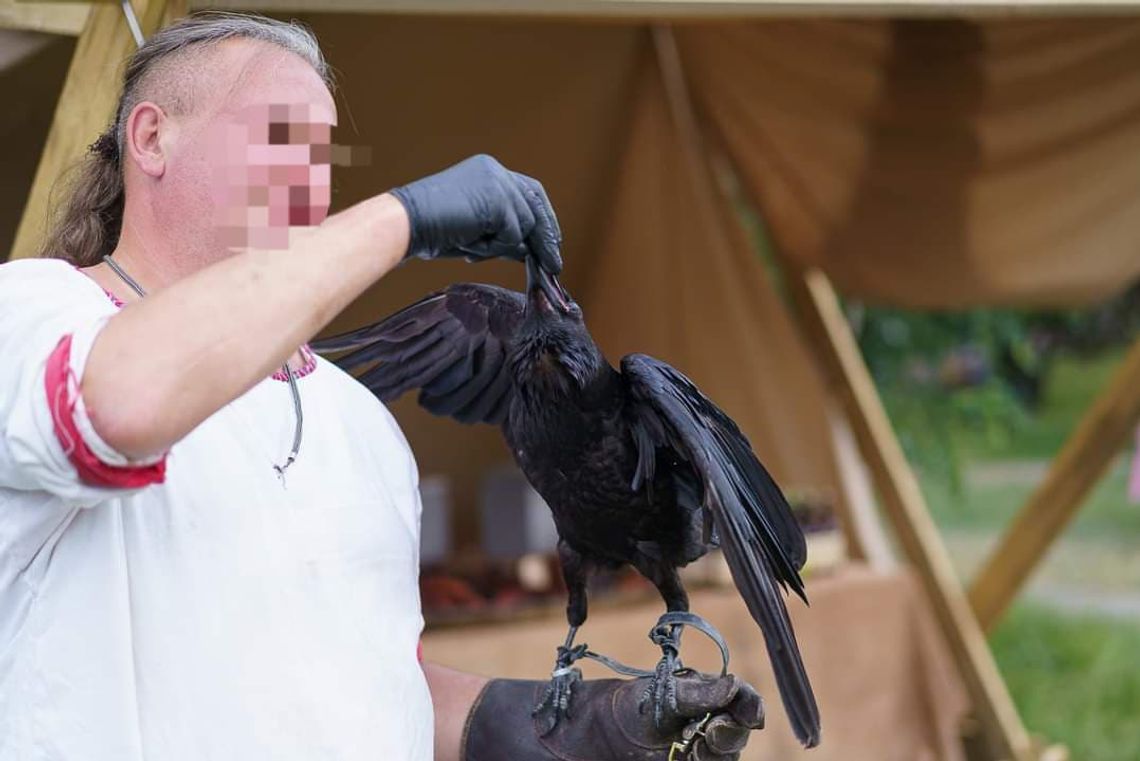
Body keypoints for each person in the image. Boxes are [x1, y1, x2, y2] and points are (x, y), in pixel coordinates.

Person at [0, 12, 764, 761]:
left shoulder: (359, 422)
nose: (311, 174)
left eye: (322, 153)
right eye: (277, 139)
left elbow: (374, 687)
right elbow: (119, 404)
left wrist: (570, 728)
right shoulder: (34, 314)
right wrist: (401, 219)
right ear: (151, 138)